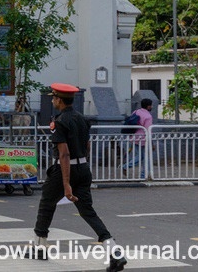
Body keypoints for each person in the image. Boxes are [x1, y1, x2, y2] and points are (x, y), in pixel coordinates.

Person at [29, 83, 126, 271]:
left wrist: (66, 184)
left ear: (59, 99)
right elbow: (87, 146)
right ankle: (114, 251)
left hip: (65, 170)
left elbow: (64, 154)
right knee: (88, 212)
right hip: (83, 167)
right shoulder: (82, 118)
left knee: (46, 205)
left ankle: (39, 247)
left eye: (54, 97)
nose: (52, 100)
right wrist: (81, 165)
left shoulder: (61, 121)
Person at [120, 98, 153, 179]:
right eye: (151, 105)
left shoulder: (136, 112)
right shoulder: (148, 116)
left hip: (135, 137)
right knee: (146, 157)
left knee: (141, 156)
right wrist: (152, 143)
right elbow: (148, 130)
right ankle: (143, 175)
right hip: (144, 138)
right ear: (148, 106)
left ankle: (127, 167)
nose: (152, 107)